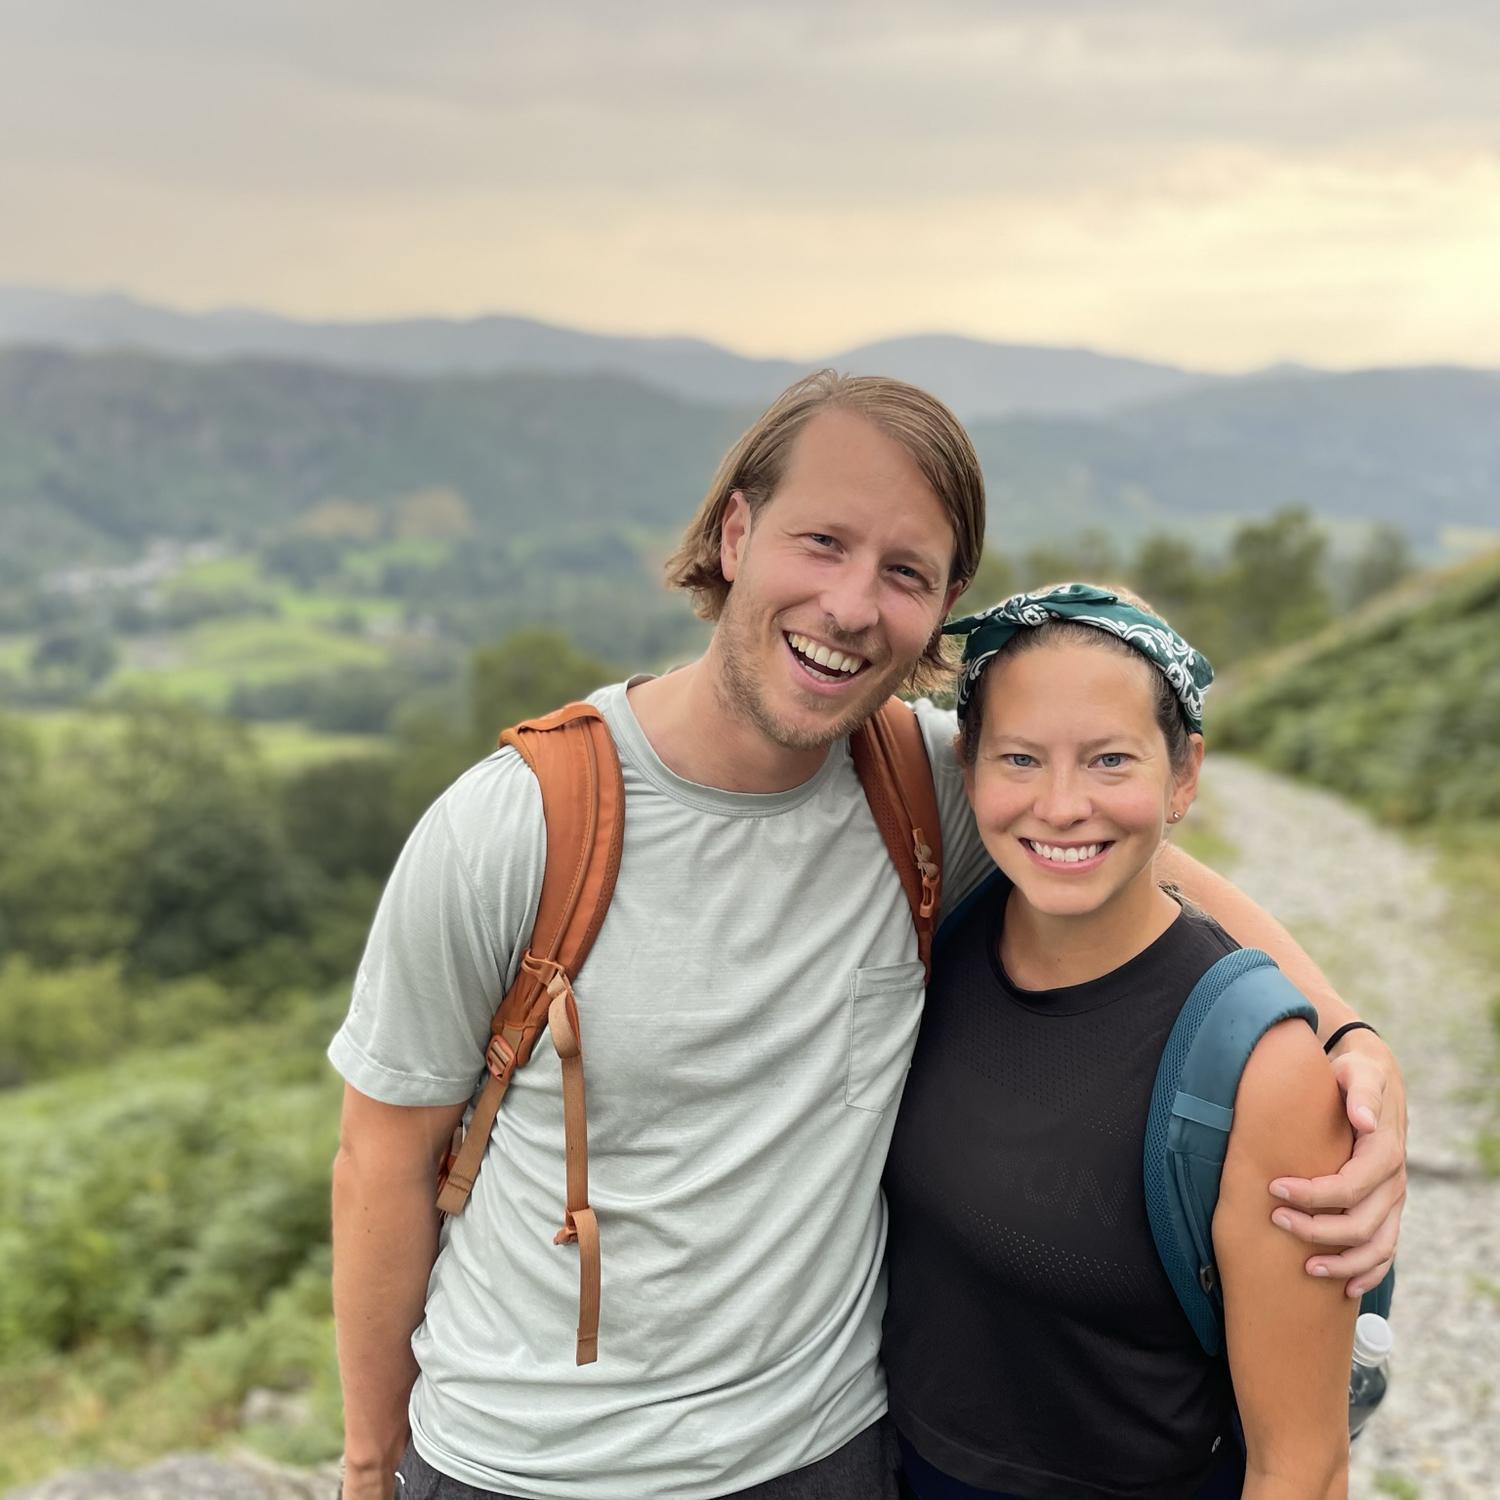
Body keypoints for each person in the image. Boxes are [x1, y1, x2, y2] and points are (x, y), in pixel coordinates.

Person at [329, 372, 1406, 1500]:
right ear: (736, 532)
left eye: (905, 572)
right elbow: (382, 1163)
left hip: (828, 1454)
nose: (851, 606)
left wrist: (1349, 1042)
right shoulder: (517, 826)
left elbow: (1149, 864)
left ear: (943, 605)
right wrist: (367, 1464)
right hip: (521, 1464)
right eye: (822, 541)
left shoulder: (924, 785)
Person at [883, 583, 1358, 1499]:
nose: (1061, 807)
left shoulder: (1262, 1066)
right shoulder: (941, 939)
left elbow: (1303, 1463)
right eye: (1019, 758)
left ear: (1183, 777)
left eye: (1110, 761)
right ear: (966, 765)